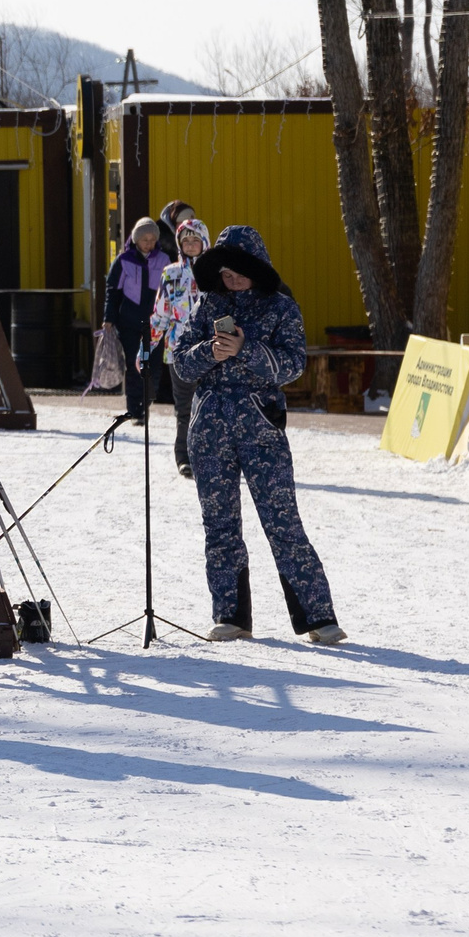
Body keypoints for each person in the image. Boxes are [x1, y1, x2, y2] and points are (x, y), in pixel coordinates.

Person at [170, 225, 346, 646]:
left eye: (240, 275)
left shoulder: (282, 308)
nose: (232, 282)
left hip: (261, 428)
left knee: (283, 521)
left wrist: (245, 350)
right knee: (220, 524)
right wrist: (210, 352)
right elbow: (180, 364)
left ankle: (318, 617)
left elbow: (292, 366)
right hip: (210, 429)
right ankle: (230, 615)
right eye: (227, 275)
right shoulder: (208, 304)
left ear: (257, 270)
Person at [150, 217, 210, 476]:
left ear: (204, 242)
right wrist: (144, 351)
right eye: (186, 241)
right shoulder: (171, 274)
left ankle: (209, 457)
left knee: (209, 408)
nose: (191, 245)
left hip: (210, 351)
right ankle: (184, 457)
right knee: (184, 408)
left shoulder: (215, 274)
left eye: (195, 240)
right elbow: (160, 315)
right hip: (179, 351)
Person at [105, 218, 168, 422]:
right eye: (144, 239)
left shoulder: (164, 260)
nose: (148, 243)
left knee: (154, 366)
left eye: (152, 239)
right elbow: (112, 292)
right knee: (134, 366)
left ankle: (146, 403)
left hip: (156, 324)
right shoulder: (124, 260)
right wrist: (109, 318)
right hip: (130, 323)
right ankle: (134, 408)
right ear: (136, 240)